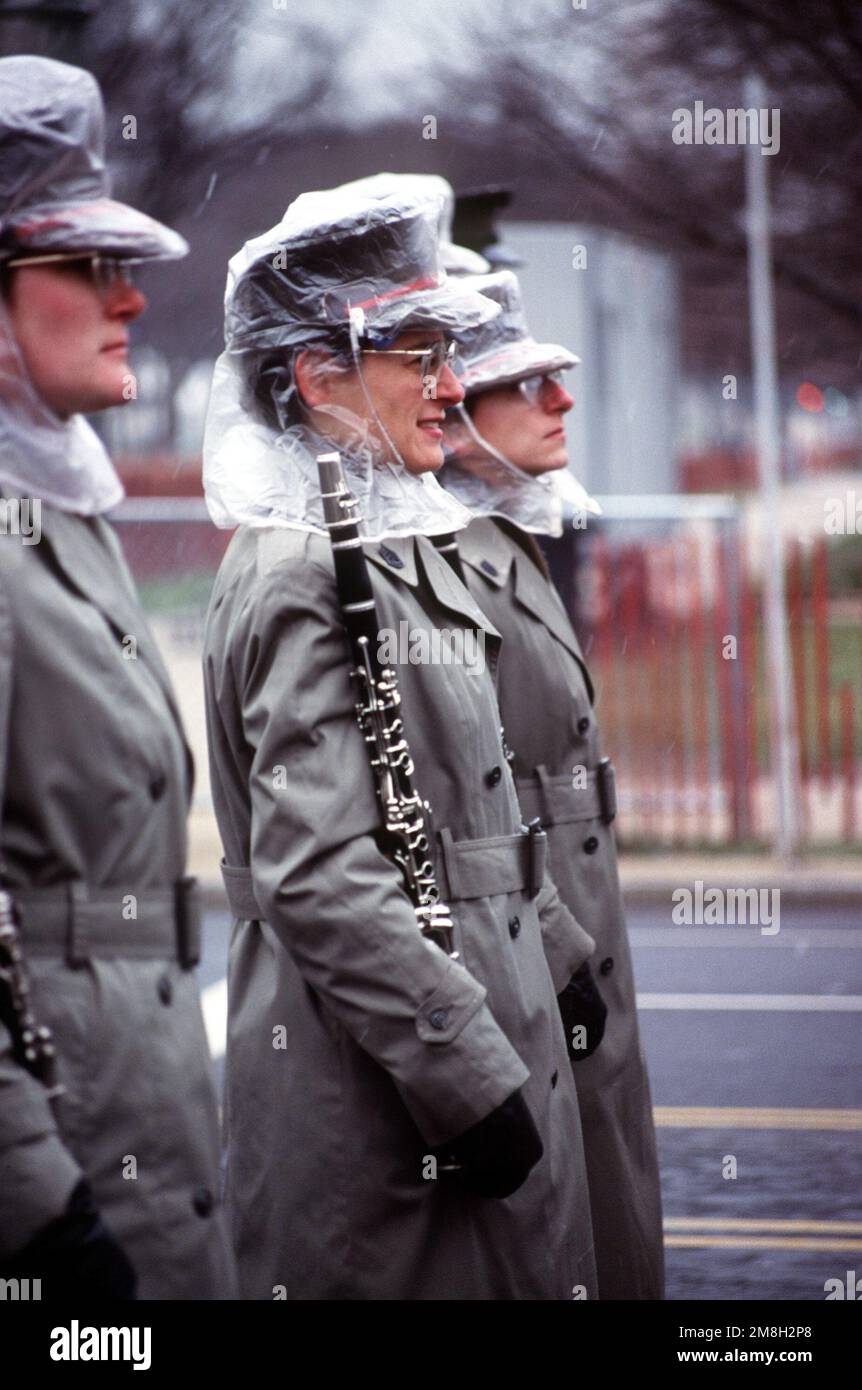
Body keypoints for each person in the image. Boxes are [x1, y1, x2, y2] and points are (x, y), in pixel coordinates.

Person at [201, 178, 601, 1300]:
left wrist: (556, 951)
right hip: (383, 1097)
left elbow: (464, 802)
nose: (447, 385)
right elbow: (320, 872)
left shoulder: (382, 540)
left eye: (445, 353)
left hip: (479, 1017)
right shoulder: (300, 571)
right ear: (318, 376)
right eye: (415, 356)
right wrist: (464, 1073)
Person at [0, 56, 235, 1299]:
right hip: (66, 1155)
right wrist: (38, 1211)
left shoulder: (58, 506)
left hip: (127, 1104)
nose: (131, 302)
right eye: (88, 269)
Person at [439, 268, 665, 1300]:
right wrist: (557, 955)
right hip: (531, 937)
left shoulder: (513, 538)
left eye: (557, 382)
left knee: (610, 1200)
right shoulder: (442, 557)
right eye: (526, 387)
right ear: (456, 413)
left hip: (573, 923)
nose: (561, 401)